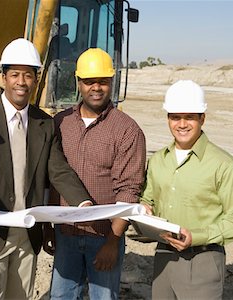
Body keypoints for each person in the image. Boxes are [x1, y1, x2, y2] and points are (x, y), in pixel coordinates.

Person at [0, 38, 92, 300]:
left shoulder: (44, 123)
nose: (21, 82)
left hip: (26, 235)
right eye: (15, 74)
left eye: (28, 75)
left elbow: (58, 169)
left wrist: (82, 202)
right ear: (3, 77)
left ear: (35, 80)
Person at [43, 48, 146, 299]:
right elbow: (49, 177)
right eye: (89, 81)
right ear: (79, 83)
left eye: (103, 81)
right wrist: (47, 227)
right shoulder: (60, 123)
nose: (96, 88)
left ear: (112, 82)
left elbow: (129, 190)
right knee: (61, 296)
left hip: (104, 236)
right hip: (65, 234)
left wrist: (113, 241)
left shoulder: (127, 131)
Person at [140, 80, 233, 299]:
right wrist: (146, 208)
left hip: (203, 261)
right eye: (175, 117)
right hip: (164, 257)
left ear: (202, 118)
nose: (182, 124)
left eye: (190, 117)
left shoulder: (223, 164)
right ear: (168, 118)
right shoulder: (157, 161)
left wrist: (199, 236)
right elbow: (149, 198)